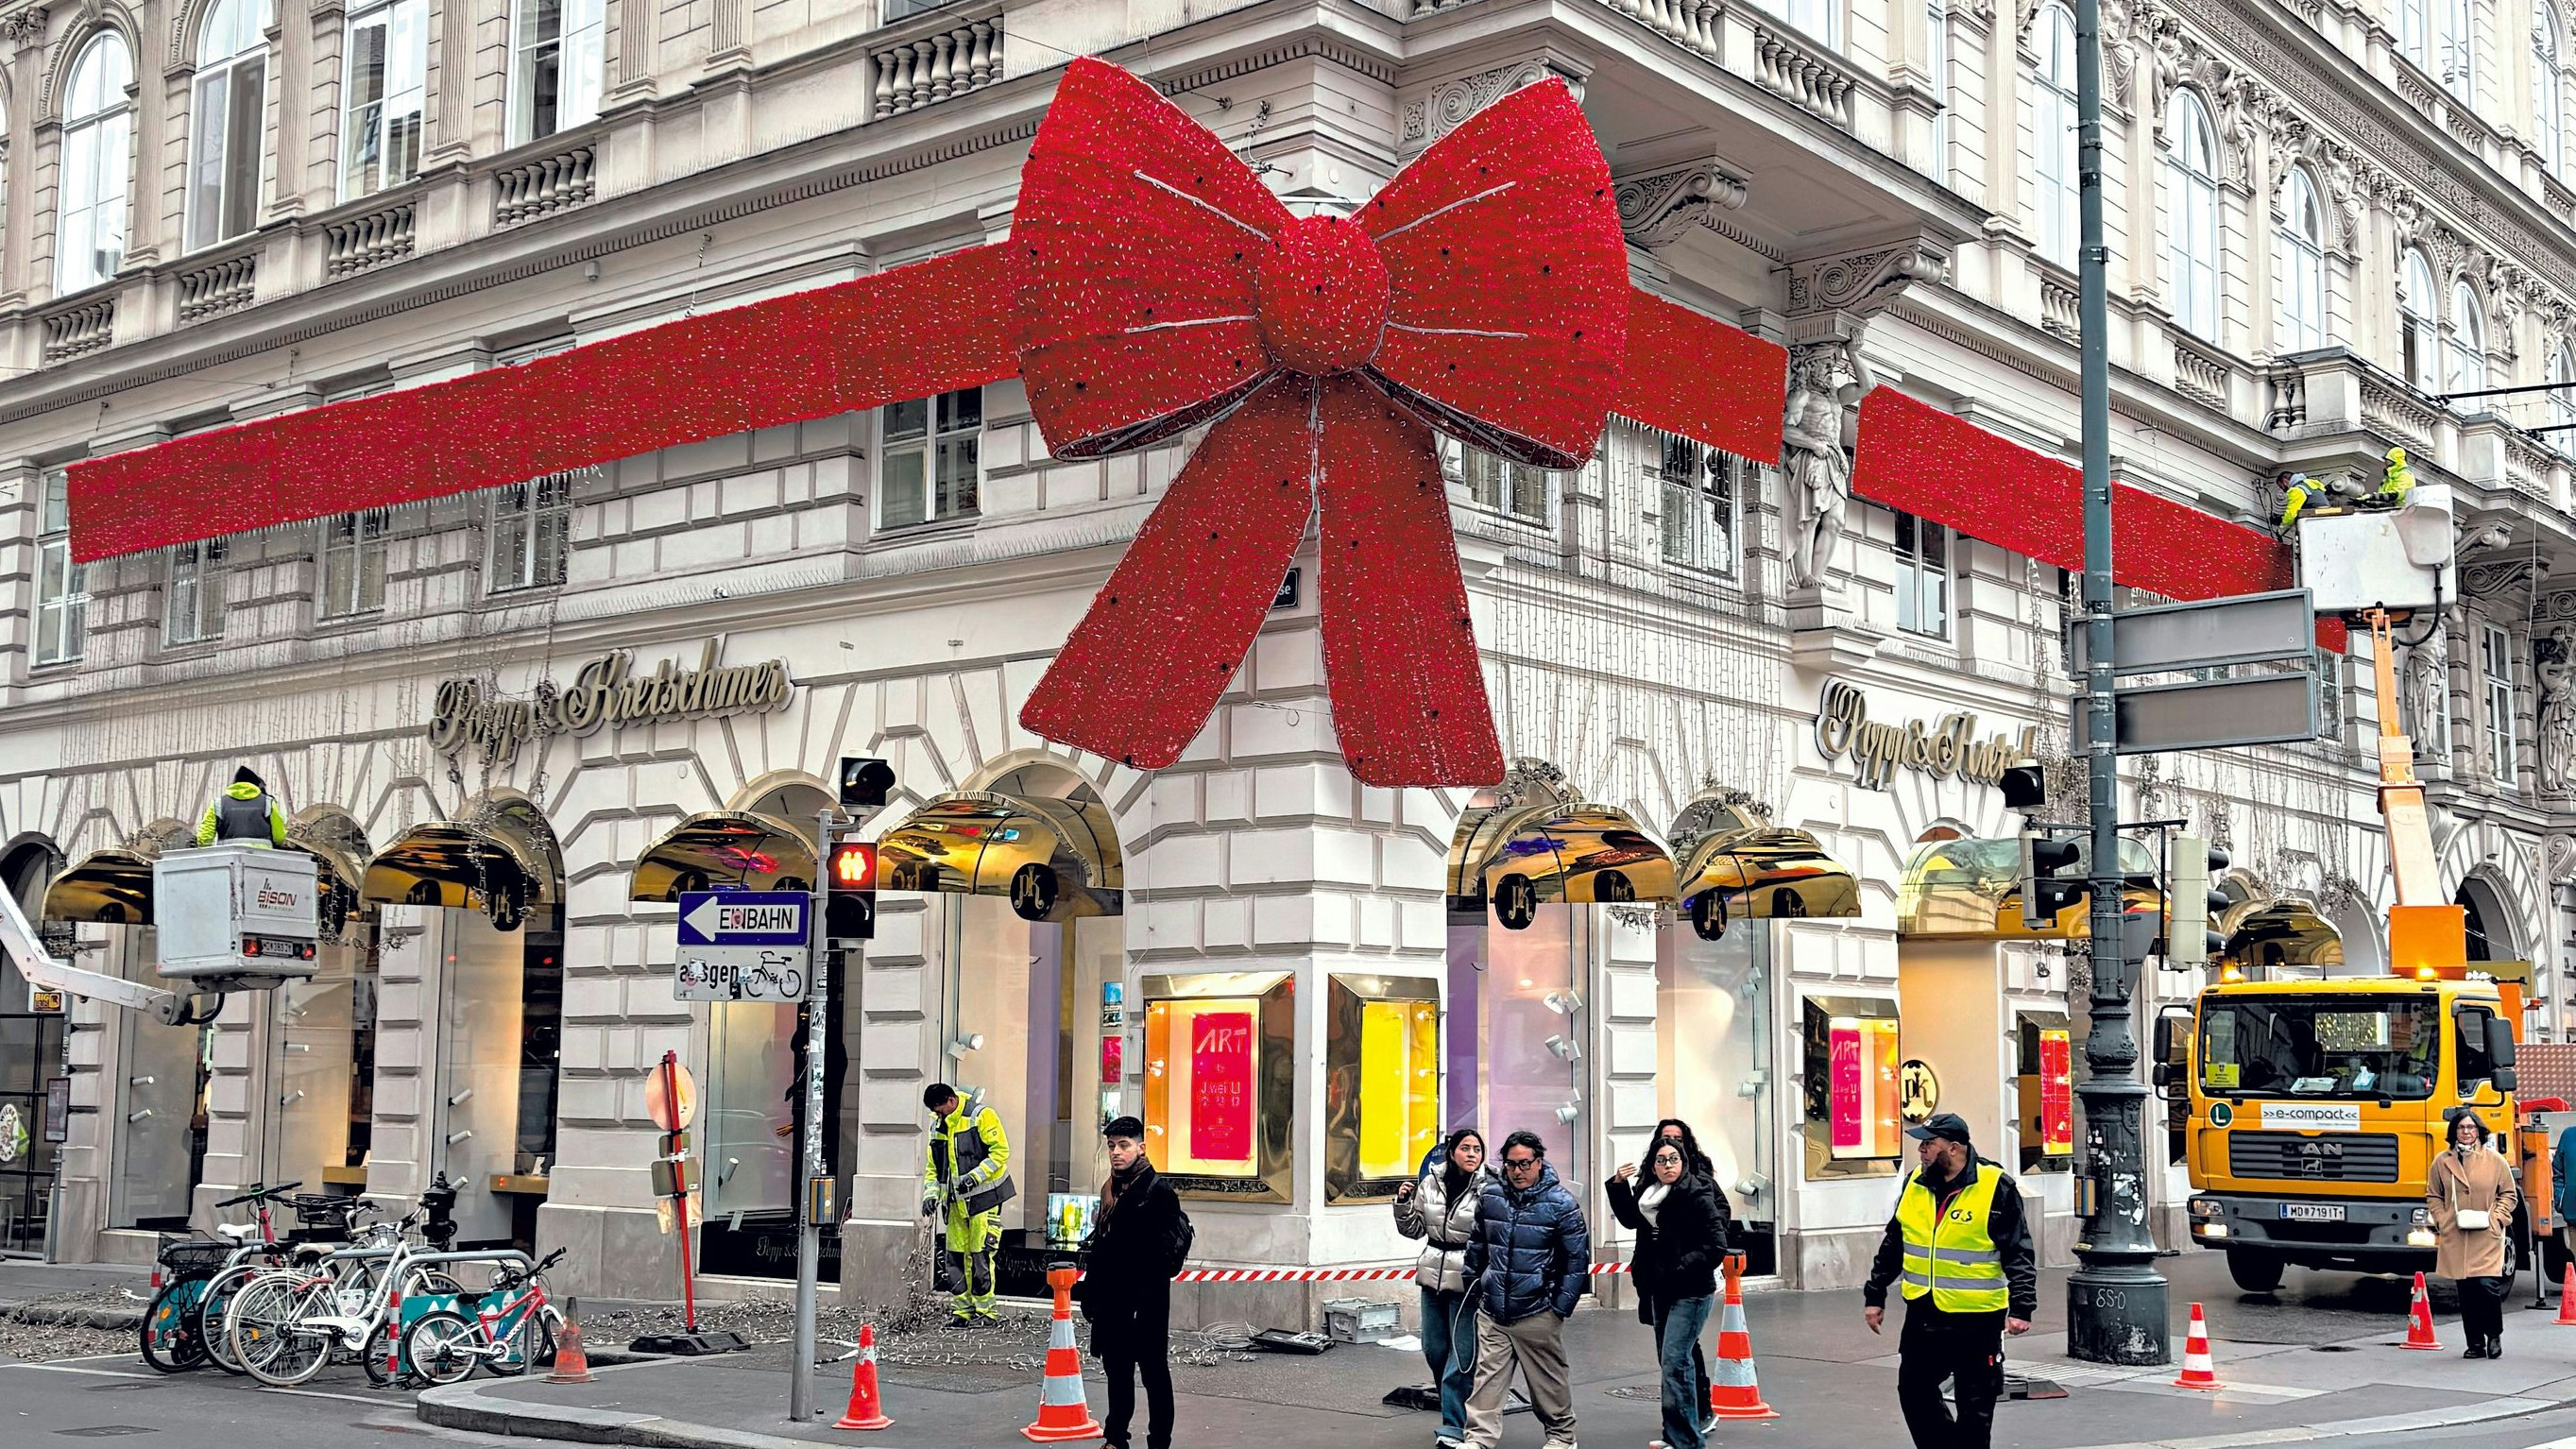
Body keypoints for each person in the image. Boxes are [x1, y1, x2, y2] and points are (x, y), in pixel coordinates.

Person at [1861, 1113, 2037, 1449]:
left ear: (1954, 1148)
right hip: (1925, 1312)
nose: (1922, 1151)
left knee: (1976, 1405)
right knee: (1913, 1389)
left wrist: (2022, 1307)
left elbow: (2018, 1251)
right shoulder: (1915, 1182)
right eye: (1921, 1144)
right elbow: (1894, 1242)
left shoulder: (1995, 1186)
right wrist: (1875, 1293)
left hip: (1977, 1318)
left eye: (1929, 1144)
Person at [1460, 1130, 1590, 1449]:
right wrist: (1474, 1285)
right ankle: (1478, 1438)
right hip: (1493, 1307)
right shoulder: (1491, 1197)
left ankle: (1562, 1436)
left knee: (1548, 1381)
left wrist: (1559, 1307)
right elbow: (1478, 1246)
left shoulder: (1562, 1204)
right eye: (1510, 1164)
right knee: (1487, 1378)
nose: (1517, 1171)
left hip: (1537, 1309)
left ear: (1539, 1162)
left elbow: (1576, 1261)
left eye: (1524, 1164)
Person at [1076, 1116, 1191, 1449]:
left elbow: (1163, 1257)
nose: (1116, 1152)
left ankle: (1159, 1442)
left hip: (1146, 1301)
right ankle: (1115, 1438)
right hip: (1112, 1299)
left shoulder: (1159, 1192)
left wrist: (1140, 1297)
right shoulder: (1110, 1188)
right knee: (1118, 1372)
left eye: (1124, 1145)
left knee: (1154, 1373)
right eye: (1111, 1146)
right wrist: (1091, 1292)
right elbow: (1102, 1245)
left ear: (1141, 1148)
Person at [1610, 1136, 1729, 1449]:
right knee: (1670, 1362)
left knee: (1676, 1359)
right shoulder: (1648, 1195)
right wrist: (1619, 1184)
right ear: (1652, 1165)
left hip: (1692, 1290)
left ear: (1683, 1162)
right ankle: (1676, 1435)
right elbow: (1629, 1219)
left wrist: (1680, 1266)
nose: (1667, 1166)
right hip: (1659, 1289)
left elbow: (1716, 1245)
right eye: (1661, 1160)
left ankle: (1689, 1440)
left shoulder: (1696, 1194)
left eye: (1673, 1159)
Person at [1396, 1128, 1490, 1449]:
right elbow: (1414, 1230)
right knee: (1434, 1350)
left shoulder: (1487, 1188)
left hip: (1467, 1279)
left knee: (1461, 1356)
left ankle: (1453, 1426)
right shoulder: (1431, 1182)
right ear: (1452, 1152)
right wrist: (1403, 1203)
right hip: (1432, 1274)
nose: (1472, 1154)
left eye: (1477, 1149)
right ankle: (1461, 1407)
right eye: (1465, 1148)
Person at [919, 1082, 1014, 1323]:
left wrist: (975, 1177)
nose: (937, 1115)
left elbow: (1000, 1152)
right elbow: (934, 1167)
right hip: (954, 1203)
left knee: (980, 1256)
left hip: (983, 1200)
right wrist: (930, 1195)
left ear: (951, 1101)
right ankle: (962, 1311)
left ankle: (986, 1312)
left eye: (940, 1109)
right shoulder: (939, 1124)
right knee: (956, 1258)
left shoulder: (980, 1116)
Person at [2430, 1107, 2517, 1359]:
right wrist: (2442, 1219)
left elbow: (2509, 1194)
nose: (2466, 1132)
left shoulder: (2495, 1161)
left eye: (2471, 1127)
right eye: (2461, 1128)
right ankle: (2475, 1343)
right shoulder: (2442, 1162)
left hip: (2486, 1235)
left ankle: (2494, 1335)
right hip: (2456, 1234)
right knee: (2466, 1291)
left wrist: (2497, 1219)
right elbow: (2434, 1195)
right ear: (2453, 1132)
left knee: (2486, 1286)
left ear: (2479, 1131)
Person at [196, 766, 286, 848]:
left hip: (227, 859)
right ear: (256, 785)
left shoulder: (218, 803)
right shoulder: (268, 802)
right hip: (261, 859)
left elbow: (204, 838)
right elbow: (279, 837)